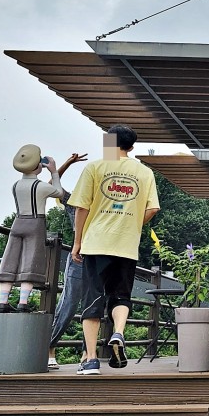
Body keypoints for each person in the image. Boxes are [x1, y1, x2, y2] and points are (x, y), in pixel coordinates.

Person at [69, 125, 159, 375]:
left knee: (93, 297)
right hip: (126, 244)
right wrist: (130, 223)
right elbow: (152, 209)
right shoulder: (144, 172)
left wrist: (78, 242)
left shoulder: (95, 167)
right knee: (121, 294)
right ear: (131, 147)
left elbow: (81, 208)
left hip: (97, 242)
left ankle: (90, 359)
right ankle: (118, 333)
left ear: (109, 143)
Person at [0, 145, 64, 313]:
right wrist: (54, 172)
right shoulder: (40, 186)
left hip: (18, 222)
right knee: (30, 262)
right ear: (36, 166)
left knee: (10, 260)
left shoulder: (16, 185)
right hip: (35, 222)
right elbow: (59, 192)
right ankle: (23, 303)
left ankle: (3, 303)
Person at [45, 153, 88, 370]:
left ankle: (87, 353)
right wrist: (67, 164)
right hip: (79, 257)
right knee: (69, 304)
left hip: (102, 255)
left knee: (96, 305)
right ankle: (49, 347)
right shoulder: (73, 203)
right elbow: (53, 184)